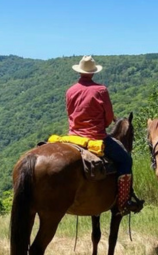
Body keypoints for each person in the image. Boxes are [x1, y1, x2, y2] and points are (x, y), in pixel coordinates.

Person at [66, 55, 142, 215]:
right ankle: (123, 203)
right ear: (93, 72)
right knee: (126, 161)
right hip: (96, 137)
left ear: (79, 72)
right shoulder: (101, 90)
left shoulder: (70, 91)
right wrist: (103, 125)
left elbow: (70, 114)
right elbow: (108, 117)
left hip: (73, 137)